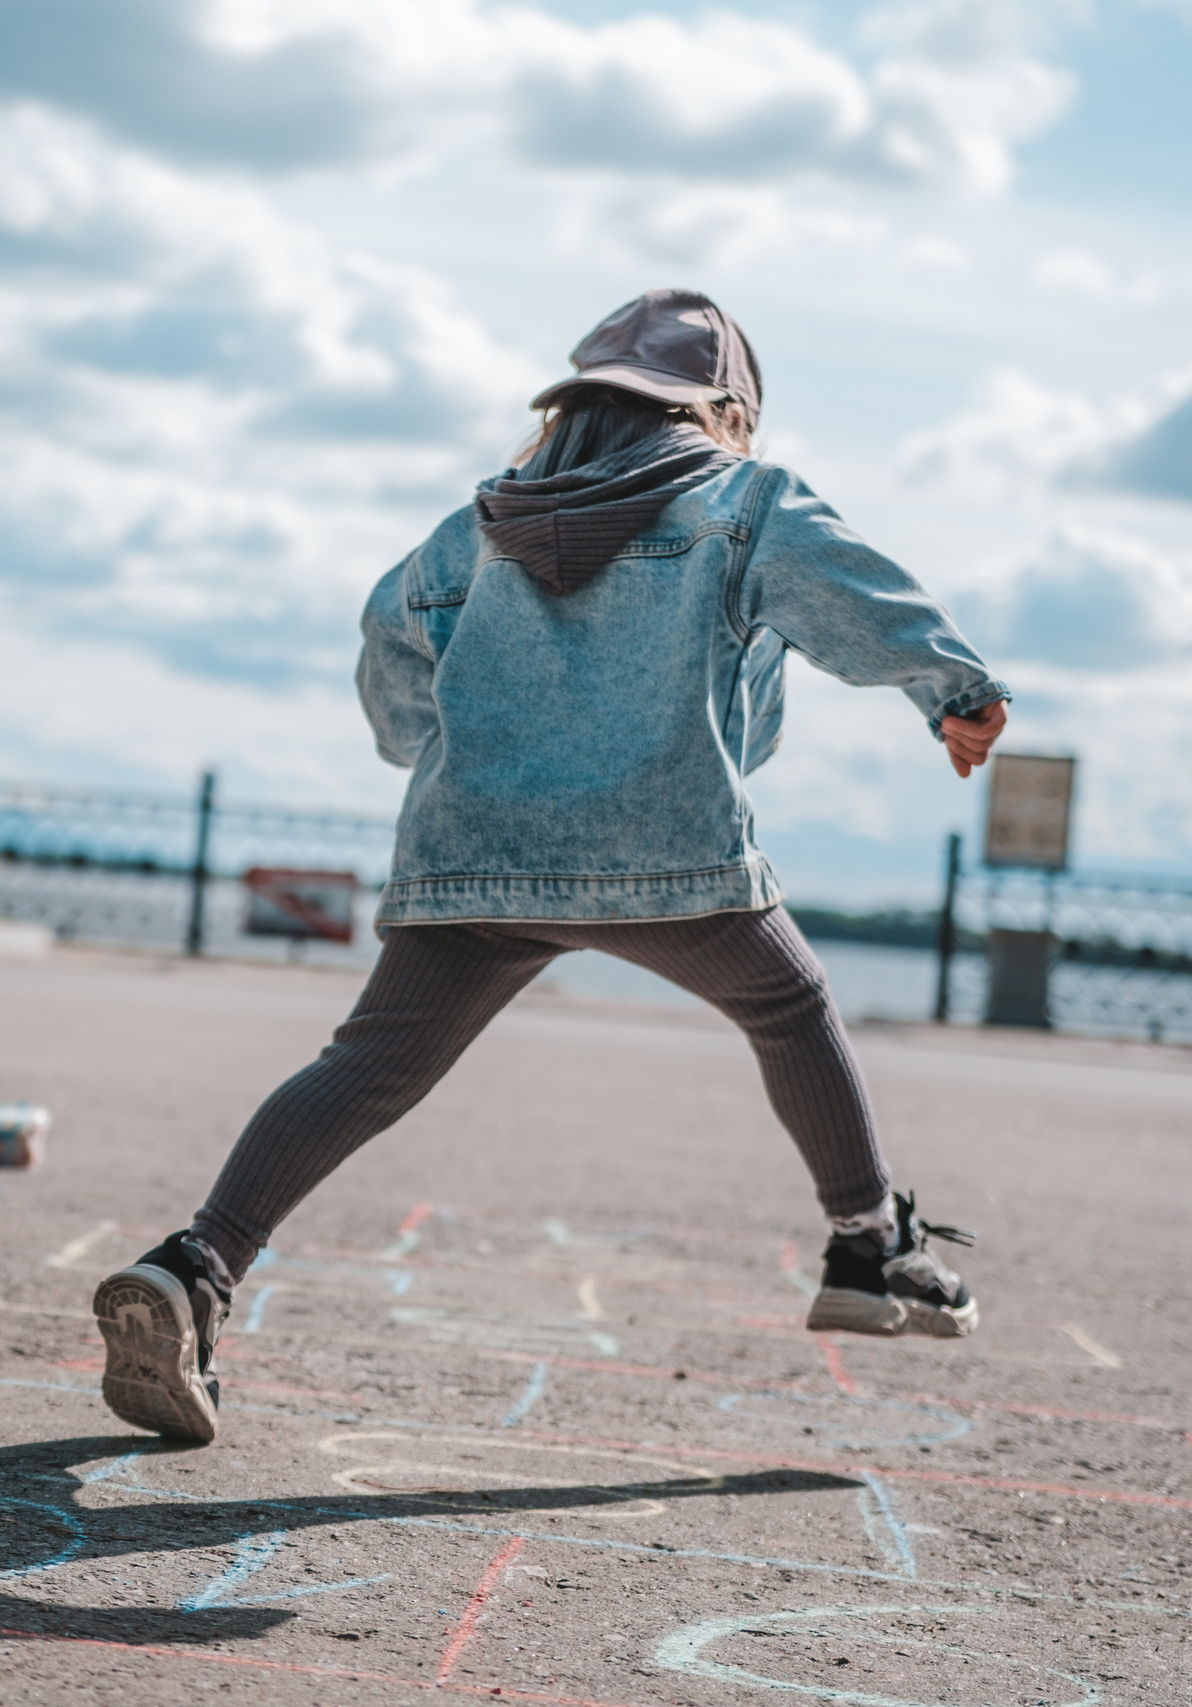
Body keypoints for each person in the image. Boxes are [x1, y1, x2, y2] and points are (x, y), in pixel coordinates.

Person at [94, 290, 1011, 1444]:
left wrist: (448, 760)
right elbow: (852, 588)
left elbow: (392, 662)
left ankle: (197, 1264)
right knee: (788, 1004)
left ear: (573, 405)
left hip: (471, 849)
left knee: (367, 1066)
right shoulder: (745, 499)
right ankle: (869, 1246)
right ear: (722, 412)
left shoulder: (471, 526)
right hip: (665, 851)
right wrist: (956, 689)